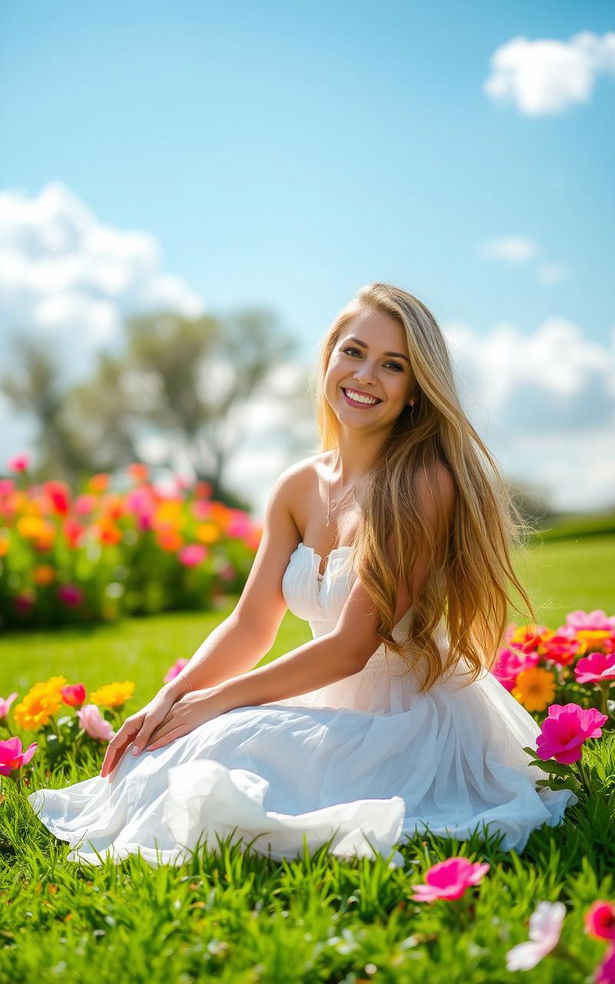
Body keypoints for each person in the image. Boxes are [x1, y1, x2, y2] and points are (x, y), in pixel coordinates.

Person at [27, 282, 576, 866]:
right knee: (169, 744)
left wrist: (217, 703)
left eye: (393, 365)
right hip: (326, 703)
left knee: (218, 738)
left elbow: (350, 648)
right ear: (329, 358)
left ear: (416, 391)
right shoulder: (298, 484)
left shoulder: (419, 484)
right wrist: (172, 696)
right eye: (354, 351)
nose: (366, 375)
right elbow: (249, 625)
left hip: (405, 721)